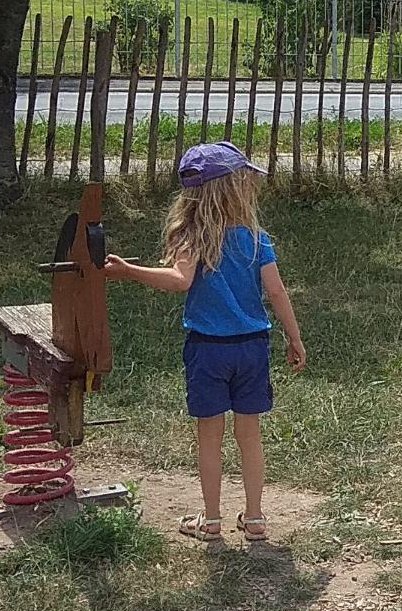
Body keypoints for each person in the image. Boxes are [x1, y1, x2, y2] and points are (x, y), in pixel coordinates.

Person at [103, 141, 307, 543]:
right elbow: (278, 293)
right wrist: (294, 337)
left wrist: (129, 271)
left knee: (209, 437)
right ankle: (255, 518)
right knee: (250, 435)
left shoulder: (192, 237)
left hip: (207, 350)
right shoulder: (255, 238)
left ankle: (211, 521)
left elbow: (180, 281)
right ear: (235, 188)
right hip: (252, 348)